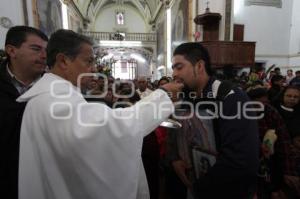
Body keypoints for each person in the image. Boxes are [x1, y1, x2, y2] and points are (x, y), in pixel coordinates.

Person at [17, 29, 183, 199]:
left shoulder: (50, 95)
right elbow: (115, 127)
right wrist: (163, 95)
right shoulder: (53, 100)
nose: (94, 69)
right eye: (88, 61)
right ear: (63, 61)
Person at [170, 42, 259, 198]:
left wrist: (199, 187)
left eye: (179, 67)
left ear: (199, 66)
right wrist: (175, 158)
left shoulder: (230, 97)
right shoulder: (184, 97)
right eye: (173, 68)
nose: (174, 74)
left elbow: (240, 160)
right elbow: (176, 129)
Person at [0, 26, 48, 199]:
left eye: (46, 51)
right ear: (12, 50)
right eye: (36, 49)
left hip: (42, 177)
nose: (44, 56)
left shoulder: (54, 88)